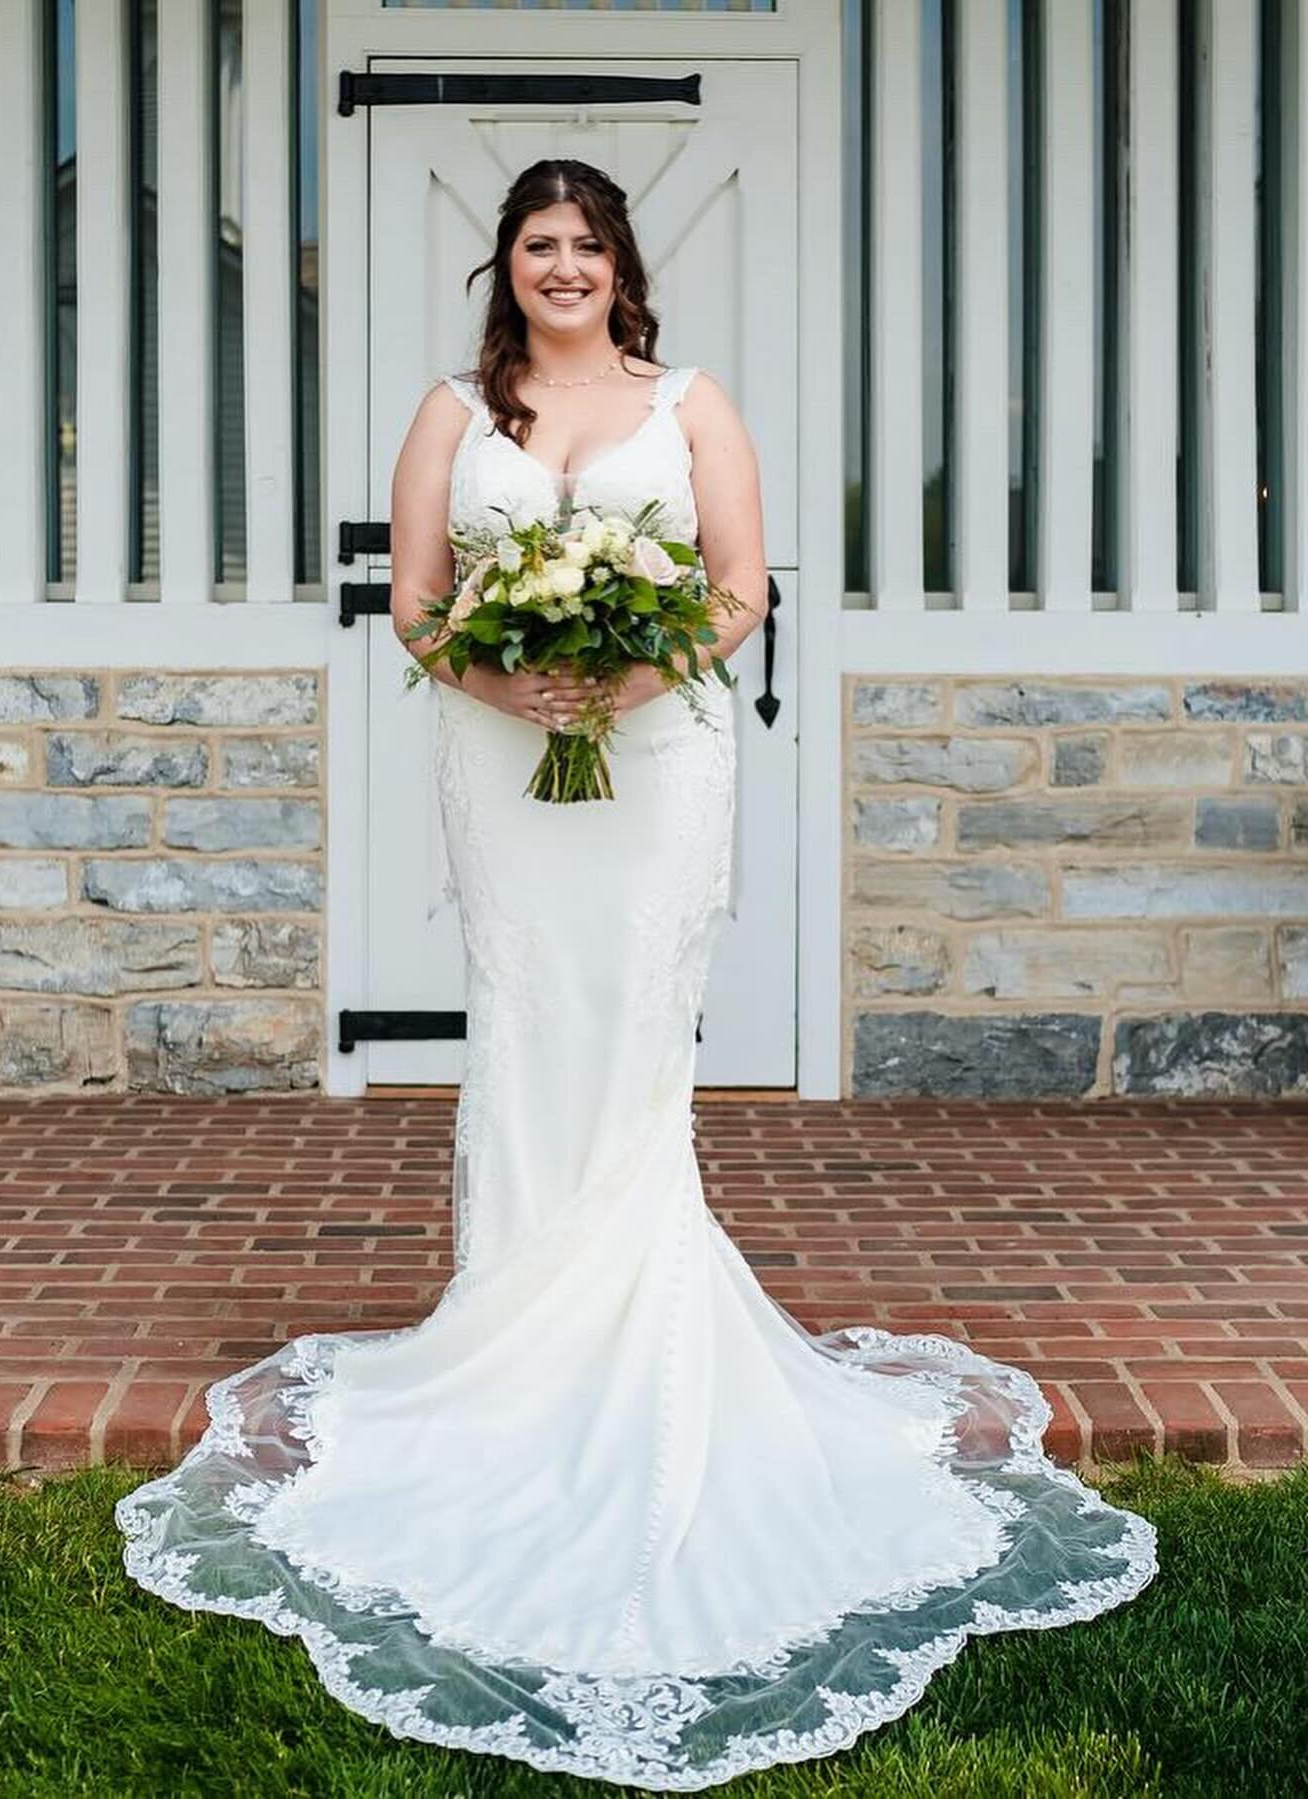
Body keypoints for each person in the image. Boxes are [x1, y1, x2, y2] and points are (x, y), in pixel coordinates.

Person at [115, 159, 1158, 1791]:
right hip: (504, 762)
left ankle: (633, 1326)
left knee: (636, 1035)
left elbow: (740, 588)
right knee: (530, 1022)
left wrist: (629, 661)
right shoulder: (457, 410)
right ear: (506, 267)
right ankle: (510, 1327)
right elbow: (419, 602)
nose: (561, 269)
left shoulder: (693, 403)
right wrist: (516, 684)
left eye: (584, 246)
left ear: (621, 263)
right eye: (537, 247)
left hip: (659, 759)